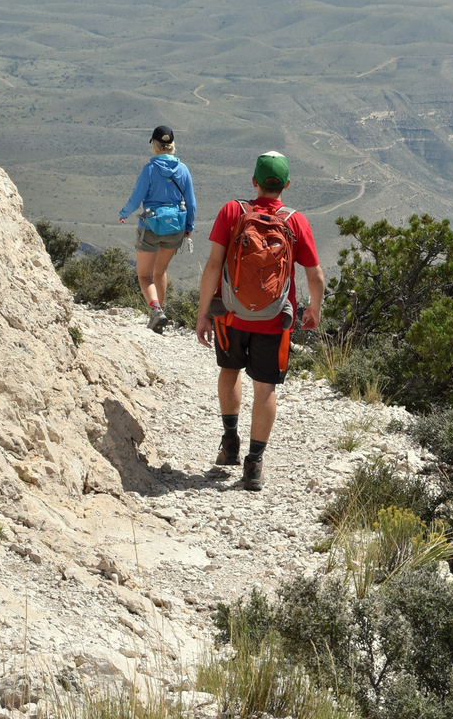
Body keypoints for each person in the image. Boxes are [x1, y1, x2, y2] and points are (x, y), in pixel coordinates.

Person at [196, 151, 324, 491]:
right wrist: (314, 310)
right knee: (265, 387)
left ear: (254, 182)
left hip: (231, 316)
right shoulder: (296, 221)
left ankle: (230, 443)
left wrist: (203, 314)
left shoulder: (232, 211)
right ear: (286, 185)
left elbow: (213, 266)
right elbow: (316, 276)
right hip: (274, 320)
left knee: (229, 370)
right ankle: (254, 464)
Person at [118, 125, 197, 333]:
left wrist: (124, 213)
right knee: (160, 271)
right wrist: (189, 226)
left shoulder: (150, 169)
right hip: (175, 228)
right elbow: (191, 202)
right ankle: (160, 314)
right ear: (172, 145)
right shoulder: (183, 169)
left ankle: (155, 311)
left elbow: (137, 198)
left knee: (144, 275)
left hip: (151, 227)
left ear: (154, 145)